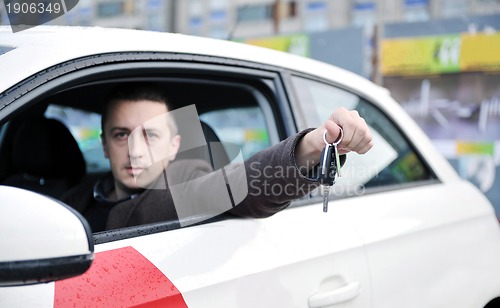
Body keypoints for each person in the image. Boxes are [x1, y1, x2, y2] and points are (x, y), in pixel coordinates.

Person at [63, 83, 373, 232]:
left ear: (174, 146)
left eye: (151, 135)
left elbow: (237, 186)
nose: (135, 150)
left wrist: (313, 146)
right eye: (121, 135)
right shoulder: (69, 199)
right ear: (104, 144)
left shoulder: (187, 180)